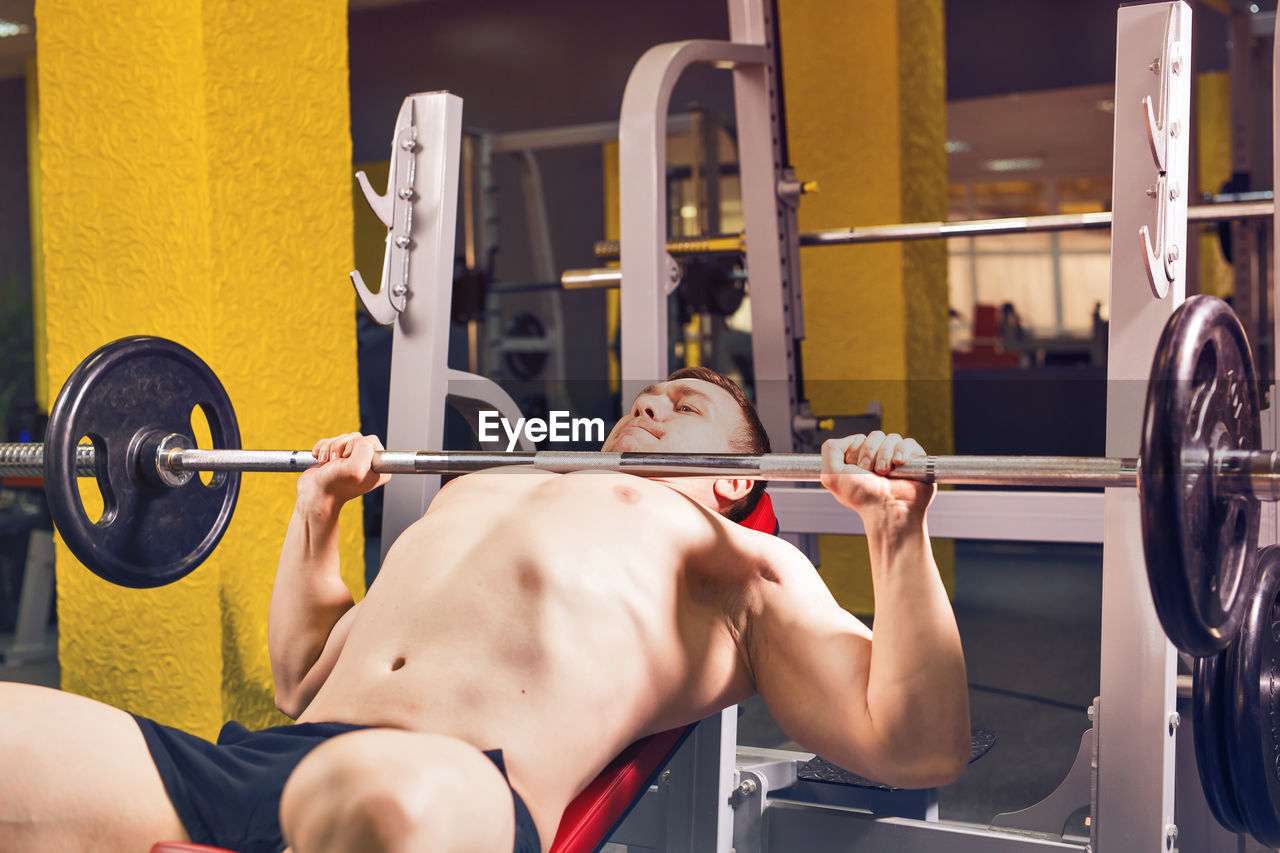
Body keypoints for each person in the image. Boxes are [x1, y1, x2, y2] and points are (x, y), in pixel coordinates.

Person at [0, 366, 969, 853]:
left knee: (386, 790)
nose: (656, 401)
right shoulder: (481, 492)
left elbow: (914, 748)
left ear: (735, 480)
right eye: (648, 394)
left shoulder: (739, 561)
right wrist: (318, 511)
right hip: (260, 758)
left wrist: (893, 536)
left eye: (692, 402)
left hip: (448, 785)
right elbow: (301, 676)